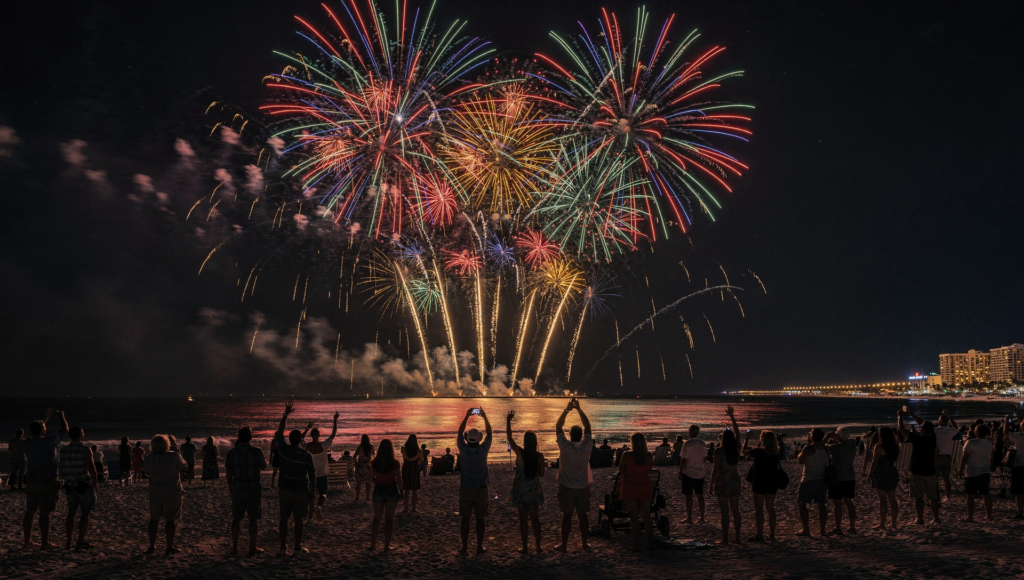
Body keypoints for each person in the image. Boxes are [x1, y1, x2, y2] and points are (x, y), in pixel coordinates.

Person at [22, 408, 68, 550]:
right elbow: (65, 430)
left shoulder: (27, 442)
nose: (46, 428)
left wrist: (44, 420)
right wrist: (62, 417)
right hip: (47, 481)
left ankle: (27, 541)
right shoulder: (49, 441)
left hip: (31, 482)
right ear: (42, 429)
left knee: (30, 512)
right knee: (45, 513)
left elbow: (34, 432)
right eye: (44, 427)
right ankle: (45, 543)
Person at [274, 401, 316, 556]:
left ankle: (283, 547)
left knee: (284, 518)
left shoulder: (283, 451)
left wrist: (285, 414)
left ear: (289, 439)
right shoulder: (306, 456)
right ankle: (297, 547)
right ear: (301, 441)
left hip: (285, 490)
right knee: (298, 520)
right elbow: (312, 475)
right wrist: (313, 491)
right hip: (300, 492)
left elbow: (279, 433)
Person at [553, 397, 593, 552]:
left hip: (567, 487)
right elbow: (588, 426)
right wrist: (578, 409)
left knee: (567, 517)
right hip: (583, 486)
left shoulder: (565, 446)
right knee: (582, 516)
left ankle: (564, 545)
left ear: (569, 435)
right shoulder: (587, 446)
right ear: (581, 435)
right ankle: (584, 544)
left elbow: (558, 425)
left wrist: (567, 409)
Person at [506, 409, 546, 554]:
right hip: (534, 489)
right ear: (535, 442)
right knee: (535, 519)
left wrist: (508, 421)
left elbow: (510, 438)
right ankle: (538, 546)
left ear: (525, 442)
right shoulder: (539, 456)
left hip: (521, 489)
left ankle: (524, 547)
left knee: (523, 520)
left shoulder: (520, 453)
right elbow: (542, 474)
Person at [225, 426, 268, 556]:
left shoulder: (232, 452)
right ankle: (252, 547)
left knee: (237, 518)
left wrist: (231, 487)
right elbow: (264, 466)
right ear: (251, 437)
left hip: (238, 488)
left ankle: (235, 548)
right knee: (253, 518)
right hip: (253, 488)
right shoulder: (257, 451)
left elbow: (229, 472)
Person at [456, 406, 493, 554]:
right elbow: (490, 433)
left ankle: (464, 547)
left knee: (465, 519)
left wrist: (466, 415)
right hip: (481, 489)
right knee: (480, 519)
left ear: (466, 439)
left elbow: (459, 432)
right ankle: (479, 547)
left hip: (465, 488)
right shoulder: (483, 450)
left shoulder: (463, 450)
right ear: (479, 439)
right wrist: (484, 417)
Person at [144, 434, 187, 554]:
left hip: (155, 493)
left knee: (153, 520)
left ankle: (152, 546)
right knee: (170, 520)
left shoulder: (148, 458)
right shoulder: (173, 456)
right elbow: (183, 467)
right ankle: (169, 547)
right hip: (171, 492)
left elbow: (146, 471)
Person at [898, 407, 941, 524]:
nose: (919, 427)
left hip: (917, 471)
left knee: (919, 497)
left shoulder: (917, 439)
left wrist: (899, 416)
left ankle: (920, 519)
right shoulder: (933, 437)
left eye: (920, 428)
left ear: (924, 430)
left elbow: (901, 428)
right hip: (930, 471)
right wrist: (911, 414)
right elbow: (923, 423)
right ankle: (936, 518)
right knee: (932, 497)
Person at [59, 426, 98, 550]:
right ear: (81, 435)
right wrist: (95, 483)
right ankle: (80, 541)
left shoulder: (63, 450)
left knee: (71, 513)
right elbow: (91, 468)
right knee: (85, 514)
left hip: (70, 485)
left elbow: (62, 468)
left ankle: (69, 541)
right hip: (83, 484)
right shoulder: (86, 450)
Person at [906, 408, 957, 501]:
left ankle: (937, 499)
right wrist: (949, 417)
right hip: (946, 457)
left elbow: (922, 423)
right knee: (946, 478)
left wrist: (911, 413)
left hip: (936, 457)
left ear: (939, 421)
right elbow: (956, 428)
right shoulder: (950, 432)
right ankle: (948, 496)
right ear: (947, 422)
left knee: (935, 480)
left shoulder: (935, 431)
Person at [710, 407, 742, 545]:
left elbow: (715, 469)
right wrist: (732, 416)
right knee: (735, 510)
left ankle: (725, 539)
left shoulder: (719, 451)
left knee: (725, 512)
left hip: (723, 481)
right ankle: (738, 537)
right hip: (734, 480)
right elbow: (738, 433)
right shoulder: (736, 448)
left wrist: (712, 484)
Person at [618, 432, 653, 551]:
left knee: (634, 517)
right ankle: (650, 544)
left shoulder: (627, 455)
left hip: (630, 487)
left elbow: (621, 470)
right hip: (644, 487)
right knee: (646, 516)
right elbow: (649, 470)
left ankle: (635, 545)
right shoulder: (648, 456)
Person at [744, 429, 780, 541]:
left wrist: (746, 439)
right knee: (771, 508)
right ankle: (772, 534)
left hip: (760, 482)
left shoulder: (759, 451)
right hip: (772, 482)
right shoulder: (776, 452)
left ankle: (760, 535)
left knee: (759, 509)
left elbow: (744, 452)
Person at [369, 438, 403, 551]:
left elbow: (370, 479)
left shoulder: (374, 462)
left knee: (377, 519)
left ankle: (373, 545)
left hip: (378, 489)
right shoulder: (395, 463)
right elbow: (398, 479)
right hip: (391, 490)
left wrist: (378, 480)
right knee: (389, 519)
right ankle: (386, 546)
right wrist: (402, 492)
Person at [305, 411, 339, 523]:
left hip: (310, 475)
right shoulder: (324, 446)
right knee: (323, 493)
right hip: (322, 475)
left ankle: (310, 518)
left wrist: (306, 428)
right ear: (318, 435)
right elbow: (333, 435)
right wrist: (335, 420)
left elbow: (299, 439)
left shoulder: (307, 447)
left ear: (311, 435)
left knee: (311, 496)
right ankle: (319, 507)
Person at [824, 427, 858, 534]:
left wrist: (828, 437)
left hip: (837, 478)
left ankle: (838, 527)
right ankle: (852, 526)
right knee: (849, 503)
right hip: (849, 477)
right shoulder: (852, 444)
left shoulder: (835, 448)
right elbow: (848, 439)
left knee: (837, 504)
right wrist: (838, 437)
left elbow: (820, 446)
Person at [796, 428, 829, 537]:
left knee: (802, 503)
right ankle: (822, 530)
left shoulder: (809, 448)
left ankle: (806, 529)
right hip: (822, 479)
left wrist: (802, 452)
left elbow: (800, 461)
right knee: (821, 505)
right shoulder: (826, 448)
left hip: (809, 479)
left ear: (812, 437)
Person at [867, 426, 900, 530]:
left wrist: (870, 474)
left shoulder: (879, 446)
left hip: (881, 473)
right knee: (892, 499)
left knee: (882, 500)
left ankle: (882, 524)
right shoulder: (895, 446)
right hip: (892, 473)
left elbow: (875, 462)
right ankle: (893, 524)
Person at [959, 423, 993, 522]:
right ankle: (989, 516)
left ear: (977, 432)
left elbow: (964, 458)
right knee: (985, 495)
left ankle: (970, 517)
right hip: (985, 471)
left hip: (972, 471)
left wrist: (961, 469)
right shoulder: (989, 443)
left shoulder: (971, 442)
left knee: (969, 495)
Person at [678, 424, 708, 524]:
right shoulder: (703, 443)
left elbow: (684, 460)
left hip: (689, 472)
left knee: (688, 496)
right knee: (700, 495)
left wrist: (681, 472)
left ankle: (689, 517)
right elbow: (704, 459)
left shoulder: (687, 444)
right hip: (700, 472)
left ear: (690, 432)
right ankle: (702, 517)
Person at [1005, 408, 1024, 520]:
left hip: (1020, 466)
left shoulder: (1020, 437)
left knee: (1019, 491)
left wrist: (1006, 421)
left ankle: (1020, 513)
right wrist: (1017, 412)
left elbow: (1005, 433)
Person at [401, 434, 422, 513]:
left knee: (406, 489)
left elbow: (404, 456)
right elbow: (421, 460)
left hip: (406, 467)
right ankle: (413, 508)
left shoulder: (403, 449)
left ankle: (406, 508)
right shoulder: (418, 450)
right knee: (414, 490)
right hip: (414, 468)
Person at [354, 435, 375, 502]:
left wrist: (356, 464)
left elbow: (354, 457)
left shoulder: (359, 447)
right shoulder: (371, 447)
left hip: (360, 467)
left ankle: (357, 497)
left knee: (359, 483)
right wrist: (371, 462)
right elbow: (374, 456)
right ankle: (367, 497)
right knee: (367, 483)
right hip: (367, 467)